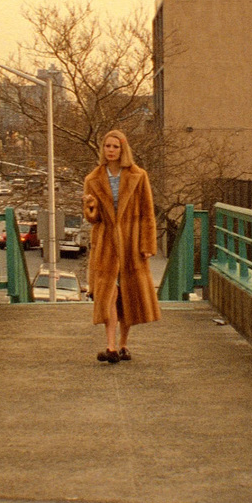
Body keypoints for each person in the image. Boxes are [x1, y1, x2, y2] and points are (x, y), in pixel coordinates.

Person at [82, 129, 160, 364]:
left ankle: (124, 344)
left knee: (127, 296)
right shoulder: (92, 179)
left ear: (123, 149)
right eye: (107, 146)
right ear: (103, 149)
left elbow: (148, 213)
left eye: (115, 146)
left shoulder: (138, 176)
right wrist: (91, 207)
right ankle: (111, 346)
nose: (111, 150)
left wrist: (147, 244)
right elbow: (91, 219)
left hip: (131, 243)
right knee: (109, 295)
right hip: (105, 244)